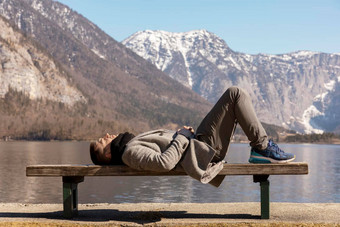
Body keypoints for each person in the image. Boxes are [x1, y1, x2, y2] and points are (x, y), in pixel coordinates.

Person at [90, 87, 295, 186]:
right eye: (103, 140)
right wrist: (181, 137)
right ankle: (261, 147)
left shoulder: (130, 144)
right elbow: (164, 163)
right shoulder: (130, 152)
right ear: (107, 154)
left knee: (235, 95)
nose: (107, 135)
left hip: (197, 144)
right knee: (235, 94)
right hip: (200, 151)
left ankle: (260, 148)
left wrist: (183, 136)